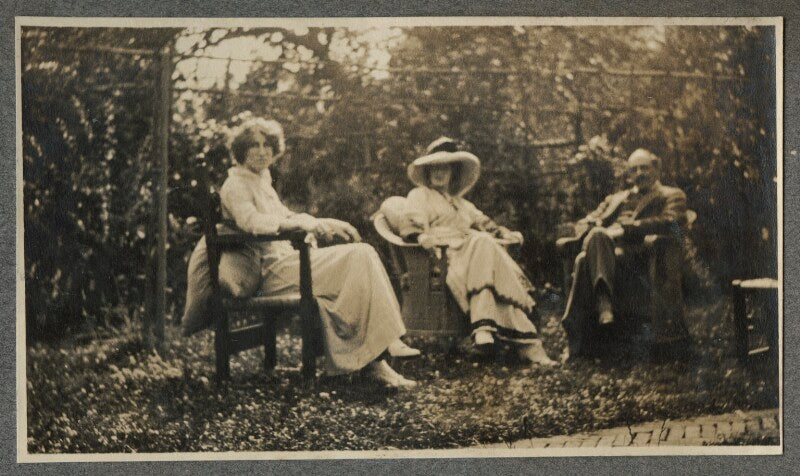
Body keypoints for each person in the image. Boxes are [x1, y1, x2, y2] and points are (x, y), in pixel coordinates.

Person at [219, 116, 420, 388]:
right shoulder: (236, 184)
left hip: (287, 263)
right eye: (253, 144)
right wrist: (308, 224)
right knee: (359, 255)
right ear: (240, 149)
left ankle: (376, 358)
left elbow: (287, 215)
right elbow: (252, 222)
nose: (262, 150)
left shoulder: (260, 181)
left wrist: (323, 222)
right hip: (271, 273)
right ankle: (379, 351)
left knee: (362, 255)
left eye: (267, 144)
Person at [402, 137, 556, 366]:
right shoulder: (419, 196)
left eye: (444, 167)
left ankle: (485, 326)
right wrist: (420, 236)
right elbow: (409, 224)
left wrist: (504, 233)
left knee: (484, 243)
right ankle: (528, 344)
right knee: (484, 243)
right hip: (445, 258)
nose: (439, 173)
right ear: (427, 170)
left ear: (453, 172)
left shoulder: (461, 204)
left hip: (474, 259)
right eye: (434, 167)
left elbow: (485, 223)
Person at [560, 148, 689, 361]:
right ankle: (603, 309)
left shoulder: (671, 194)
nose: (640, 173)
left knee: (584, 260)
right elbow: (584, 222)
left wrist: (628, 228)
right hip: (605, 251)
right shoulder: (615, 198)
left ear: (656, 169)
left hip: (640, 256)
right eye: (634, 169)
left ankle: (577, 333)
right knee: (596, 238)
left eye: (644, 168)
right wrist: (593, 224)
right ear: (628, 174)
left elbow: (672, 221)